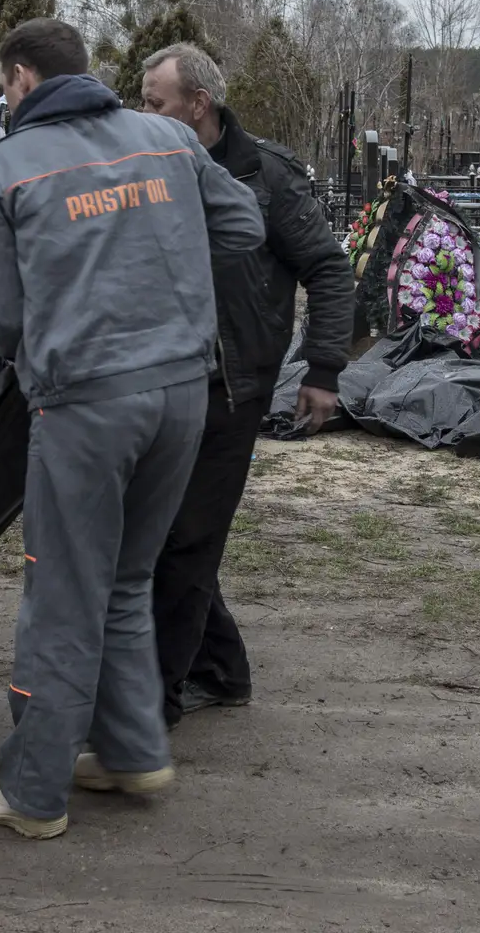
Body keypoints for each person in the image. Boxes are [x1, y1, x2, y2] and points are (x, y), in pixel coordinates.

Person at [0, 18, 265, 840]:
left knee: (63, 594)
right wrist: (161, 269)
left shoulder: (6, 167)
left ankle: (31, 792)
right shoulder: (168, 140)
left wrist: (44, 355)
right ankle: (133, 750)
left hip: (86, 401)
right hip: (181, 393)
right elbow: (244, 228)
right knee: (128, 578)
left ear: (21, 79)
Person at [140, 44, 353, 726]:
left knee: (187, 539)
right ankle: (222, 672)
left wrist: (322, 370)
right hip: (165, 382)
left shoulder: (266, 174)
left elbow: (328, 268)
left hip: (234, 385)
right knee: (168, 536)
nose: (143, 114)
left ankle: (150, 707)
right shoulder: (149, 165)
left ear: (197, 105)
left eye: (155, 103)